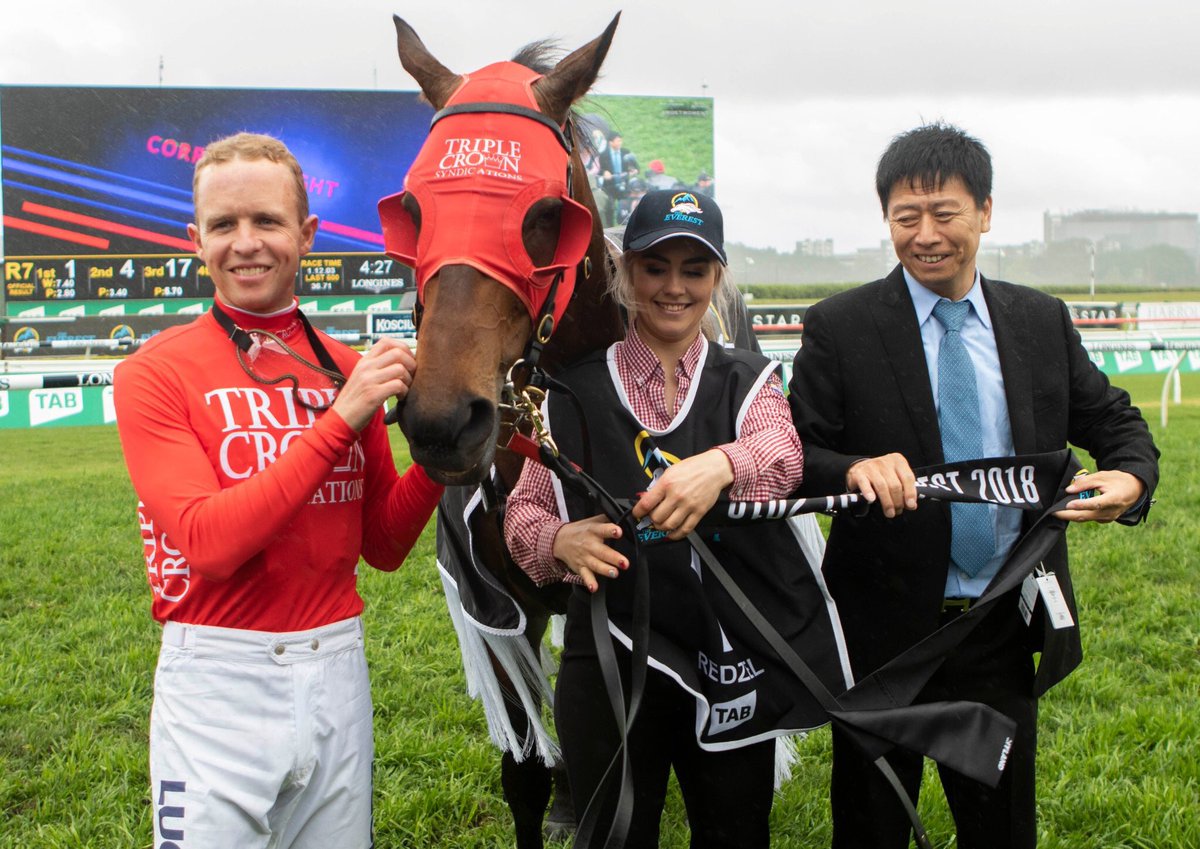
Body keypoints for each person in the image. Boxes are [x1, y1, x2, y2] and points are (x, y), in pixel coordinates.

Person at [788, 122, 1160, 849]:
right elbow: (796, 449)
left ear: (985, 212)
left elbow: (1115, 419)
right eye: (905, 217)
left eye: (944, 212)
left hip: (999, 619)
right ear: (887, 220)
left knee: (1000, 826)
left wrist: (1132, 478)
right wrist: (852, 468)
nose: (925, 234)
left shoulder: (1040, 321)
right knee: (870, 825)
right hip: (881, 632)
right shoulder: (841, 326)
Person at [114, 132, 443, 849]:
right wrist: (340, 418)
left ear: (307, 233)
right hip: (217, 680)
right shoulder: (154, 373)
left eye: (266, 220)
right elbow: (210, 542)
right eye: (224, 225)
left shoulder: (345, 366)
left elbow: (382, 545)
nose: (246, 243)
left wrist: (443, 462)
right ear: (195, 239)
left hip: (337, 668)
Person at [505, 190, 847, 847]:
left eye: (695, 269)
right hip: (608, 655)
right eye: (655, 266)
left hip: (729, 656)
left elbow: (783, 456)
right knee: (611, 834)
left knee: (735, 832)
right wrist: (558, 539)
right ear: (626, 272)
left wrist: (721, 463)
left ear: (717, 278)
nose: (674, 287)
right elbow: (525, 510)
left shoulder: (748, 378)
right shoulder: (569, 388)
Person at [599, 131, 639, 225]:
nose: (620, 143)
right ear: (611, 142)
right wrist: (604, 172)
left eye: (621, 141)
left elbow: (636, 167)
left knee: (626, 209)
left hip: (624, 186)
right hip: (609, 187)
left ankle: (626, 226)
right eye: (618, 141)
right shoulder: (603, 155)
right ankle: (609, 229)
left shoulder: (626, 153)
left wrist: (634, 170)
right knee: (609, 210)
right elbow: (599, 170)